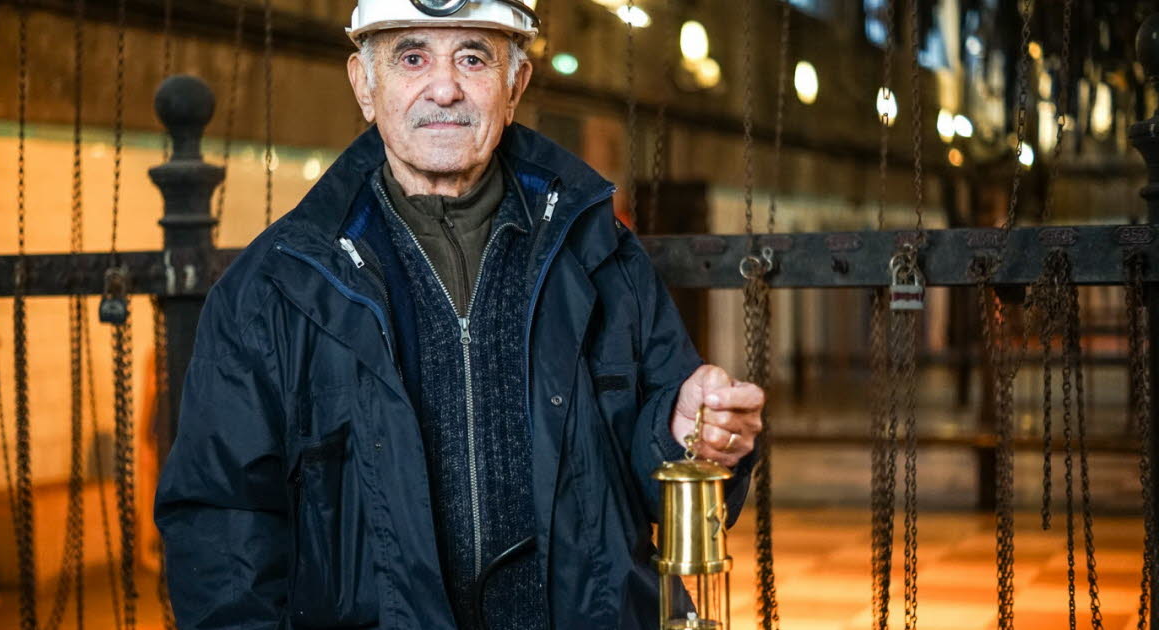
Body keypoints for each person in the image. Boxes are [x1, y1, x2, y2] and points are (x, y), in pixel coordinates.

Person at [155, 1, 766, 628]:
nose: (444, 88)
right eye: (412, 57)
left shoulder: (600, 253)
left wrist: (685, 431)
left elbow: (654, 471)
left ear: (514, 86)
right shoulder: (278, 284)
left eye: (473, 57)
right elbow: (222, 525)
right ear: (365, 85)